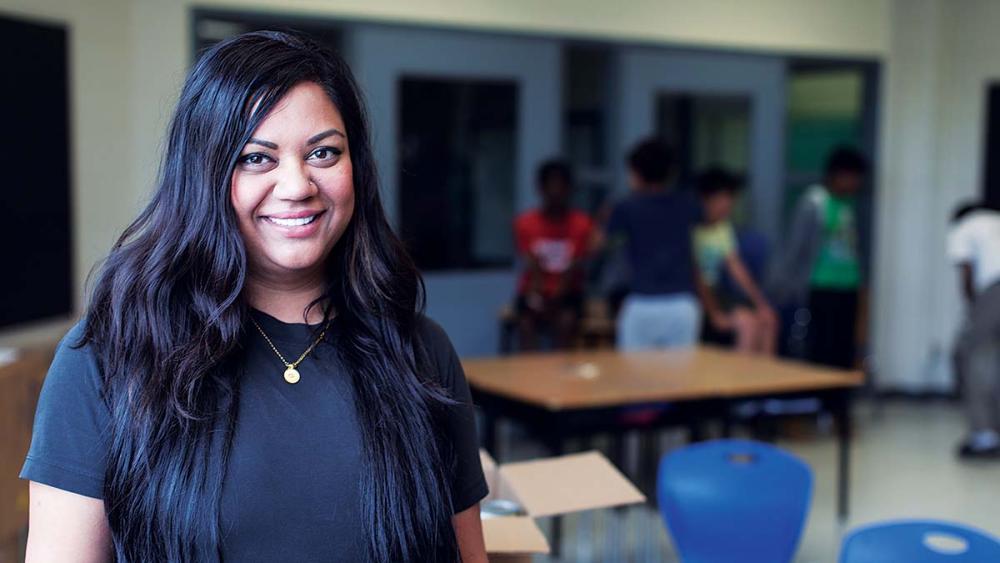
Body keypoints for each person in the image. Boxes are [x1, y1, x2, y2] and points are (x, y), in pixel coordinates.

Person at [20, 31, 488, 562]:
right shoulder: (111, 355)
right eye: (256, 159)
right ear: (203, 174)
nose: (297, 185)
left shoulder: (419, 351)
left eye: (323, 152)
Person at [604, 138, 726, 350]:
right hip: (681, 303)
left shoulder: (626, 206)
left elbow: (597, 244)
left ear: (636, 172)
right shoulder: (686, 203)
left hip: (642, 301)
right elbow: (711, 220)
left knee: (633, 377)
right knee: (679, 378)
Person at [769, 146, 869, 369]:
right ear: (839, 175)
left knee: (843, 347)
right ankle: (820, 399)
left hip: (848, 286)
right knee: (820, 347)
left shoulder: (847, 206)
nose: (856, 184)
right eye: (853, 178)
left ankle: (839, 400)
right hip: (820, 285)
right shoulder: (814, 202)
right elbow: (796, 248)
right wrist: (783, 288)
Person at [694, 167, 777, 354]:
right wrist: (715, 313)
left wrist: (761, 303)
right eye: (723, 198)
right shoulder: (691, 229)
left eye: (731, 198)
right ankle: (739, 381)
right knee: (746, 323)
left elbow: (736, 267)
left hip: (716, 293)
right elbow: (695, 275)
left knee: (768, 320)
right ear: (706, 199)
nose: (728, 204)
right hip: (694, 295)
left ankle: (766, 381)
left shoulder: (722, 228)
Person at [513, 160, 594, 350]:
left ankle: (559, 374)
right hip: (534, 290)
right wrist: (540, 296)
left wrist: (557, 295)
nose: (555, 191)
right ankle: (527, 375)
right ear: (541, 189)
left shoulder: (582, 223)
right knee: (526, 323)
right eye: (551, 185)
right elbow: (532, 264)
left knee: (566, 322)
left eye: (561, 186)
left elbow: (575, 265)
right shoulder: (525, 223)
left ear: (569, 189)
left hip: (568, 292)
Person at [949, 201, 1000, 459]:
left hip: (994, 290)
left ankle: (984, 436)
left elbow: (966, 273)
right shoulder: (995, 221)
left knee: (971, 358)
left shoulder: (964, 226)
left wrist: (973, 309)